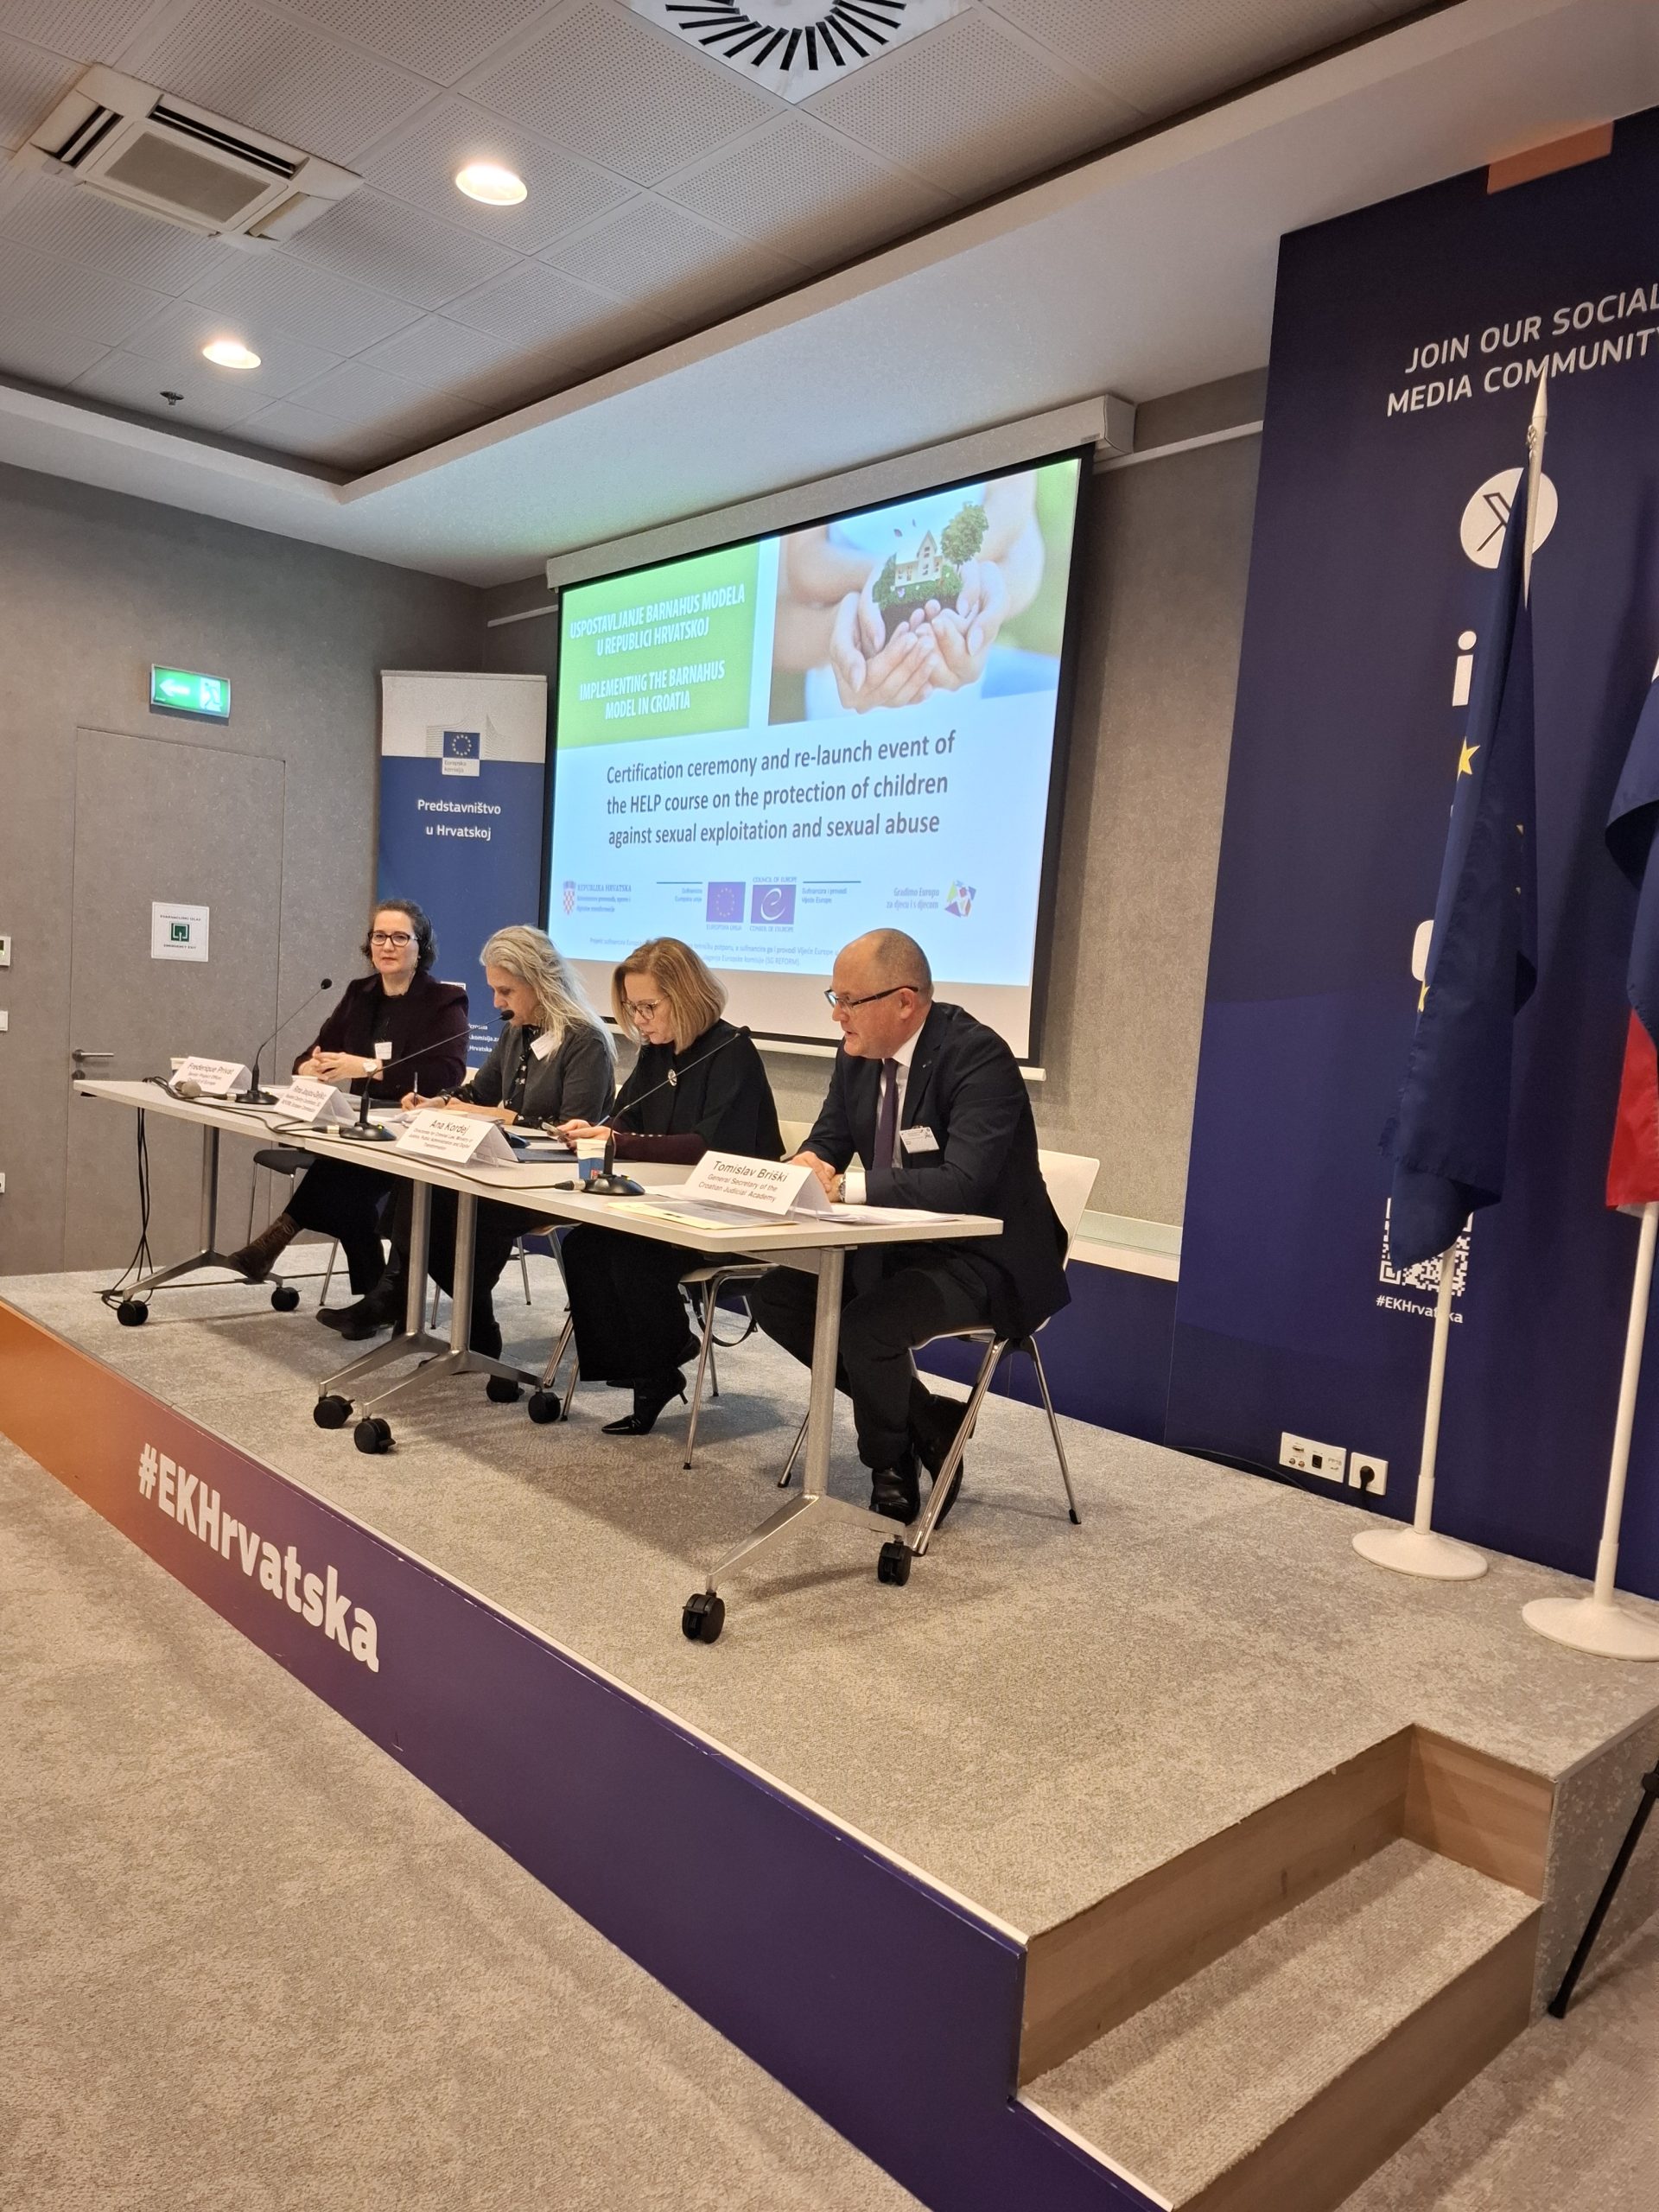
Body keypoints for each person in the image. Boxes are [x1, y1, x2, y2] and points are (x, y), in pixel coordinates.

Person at [748, 929, 1068, 1525]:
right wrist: (803, 1167)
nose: (837, 1015)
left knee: (868, 1325)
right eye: (834, 998)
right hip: (895, 1244)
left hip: (983, 1253)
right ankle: (928, 1420)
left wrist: (845, 1187)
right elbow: (829, 1142)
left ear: (904, 1001)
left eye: (850, 1000)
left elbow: (963, 1182)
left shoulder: (977, 1057)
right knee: (776, 1296)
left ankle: (888, 1463)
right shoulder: (856, 1056)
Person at [321, 926, 613, 1354]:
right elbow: (478, 1093)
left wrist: (499, 1116)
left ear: (541, 983)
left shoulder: (584, 1040)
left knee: (451, 1209)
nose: (496, 1002)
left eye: (506, 991)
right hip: (503, 1167)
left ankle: (432, 1309)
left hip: (550, 1181)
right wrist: (438, 1102)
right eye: (494, 990)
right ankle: (447, 1315)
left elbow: (572, 1132)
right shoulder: (517, 1030)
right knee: (422, 1183)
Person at [556, 938, 782, 1434]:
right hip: (669, 1206)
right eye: (632, 1008)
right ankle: (650, 1367)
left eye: (648, 1007)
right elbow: (628, 1116)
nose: (639, 1020)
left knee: (634, 1258)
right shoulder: (657, 1053)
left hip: (733, 1215)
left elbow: (709, 1147)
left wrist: (621, 1140)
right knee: (583, 1247)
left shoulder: (732, 1051)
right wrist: (595, 1131)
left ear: (684, 996)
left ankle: (659, 1364)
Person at [226, 899, 467, 1295]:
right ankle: (372, 1295)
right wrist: (310, 1067)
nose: (387, 946)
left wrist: (369, 1067)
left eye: (399, 937)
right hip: (361, 1124)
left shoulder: (443, 1001)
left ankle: (278, 1238)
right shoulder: (361, 993)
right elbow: (314, 1052)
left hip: (413, 1128)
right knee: (345, 1187)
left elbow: (446, 1073)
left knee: (340, 1180)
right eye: (379, 936)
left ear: (420, 946)